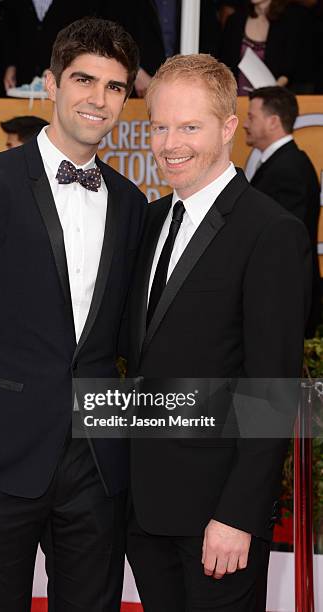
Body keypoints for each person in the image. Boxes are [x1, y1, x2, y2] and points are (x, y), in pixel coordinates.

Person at [0, 17, 145, 611]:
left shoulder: (132, 202)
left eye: (114, 87)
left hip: (96, 462)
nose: (98, 99)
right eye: (84, 80)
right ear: (51, 84)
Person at [125, 54, 311, 611]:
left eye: (189, 127)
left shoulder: (271, 232)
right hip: (143, 511)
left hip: (218, 521)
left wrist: (237, 515)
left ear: (229, 128)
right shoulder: (151, 220)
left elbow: (273, 388)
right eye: (159, 126)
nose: (169, 143)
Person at [244, 86, 321, 337]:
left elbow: (284, 239)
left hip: (281, 301)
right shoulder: (283, 163)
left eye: (251, 117)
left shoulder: (290, 168)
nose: (245, 124)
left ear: (273, 121)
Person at [110, 0, 221, 97]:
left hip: (187, 85)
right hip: (136, 87)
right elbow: (111, 32)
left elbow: (210, 39)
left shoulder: (198, 4)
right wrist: (135, 72)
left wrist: (197, 78)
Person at [3, 0, 102, 93]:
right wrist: (11, 65)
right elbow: (12, 32)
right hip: (24, 77)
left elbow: (85, 37)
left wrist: (61, 67)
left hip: (64, 75)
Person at [220, 0, 314, 94]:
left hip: (272, 99)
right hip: (236, 98)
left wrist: (270, 92)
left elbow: (290, 67)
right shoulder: (235, 20)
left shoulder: (290, 21)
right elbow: (223, 64)